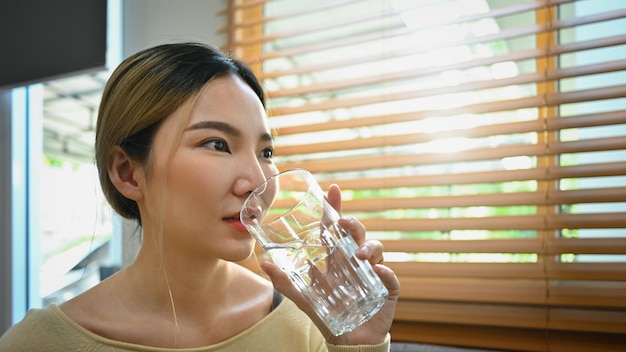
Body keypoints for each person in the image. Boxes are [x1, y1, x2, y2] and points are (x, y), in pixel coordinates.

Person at [0, 42, 400, 351]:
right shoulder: (38, 343)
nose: (256, 180)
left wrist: (355, 344)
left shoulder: (307, 322)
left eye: (266, 153)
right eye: (217, 144)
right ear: (128, 173)